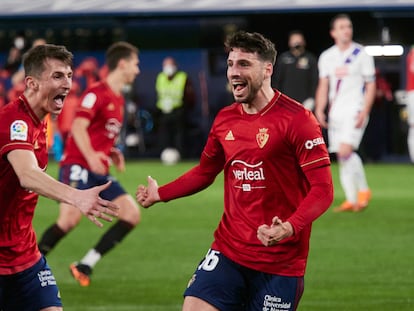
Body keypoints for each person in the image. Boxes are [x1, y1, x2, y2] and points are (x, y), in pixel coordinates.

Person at [136, 30, 333, 311]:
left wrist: (289, 227)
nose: (233, 72)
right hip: (229, 251)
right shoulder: (225, 119)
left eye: (244, 64)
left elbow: (323, 190)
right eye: (230, 64)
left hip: (280, 262)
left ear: (267, 70)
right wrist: (160, 194)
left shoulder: (298, 120)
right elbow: (205, 171)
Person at [0, 44, 119, 311]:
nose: (67, 83)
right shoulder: (14, 121)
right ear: (31, 83)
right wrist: (76, 196)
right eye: (57, 76)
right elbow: (27, 174)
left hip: (25, 254)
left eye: (68, 75)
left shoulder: (40, 120)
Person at [38, 41, 141, 287]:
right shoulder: (97, 92)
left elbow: (98, 133)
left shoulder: (118, 100)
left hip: (98, 170)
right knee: (69, 220)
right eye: (136, 64)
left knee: (131, 214)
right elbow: (78, 126)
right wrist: (92, 155)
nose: (137, 70)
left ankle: (85, 264)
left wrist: (110, 151)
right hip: (77, 164)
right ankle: (26, 268)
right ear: (123, 64)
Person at [314, 13, 376, 212]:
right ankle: (351, 199)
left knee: (345, 151)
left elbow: (371, 85)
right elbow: (323, 85)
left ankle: (364, 190)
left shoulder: (361, 54)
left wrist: (365, 110)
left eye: (348, 26)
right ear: (333, 32)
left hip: (355, 108)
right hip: (336, 112)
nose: (346, 30)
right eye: (342, 27)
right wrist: (319, 109)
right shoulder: (327, 56)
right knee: (341, 157)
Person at [155, 56, 195, 158]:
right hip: (163, 112)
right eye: (166, 65)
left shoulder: (182, 77)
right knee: (163, 135)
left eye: (170, 65)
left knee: (180, 136)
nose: (168, 67)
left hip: (178, 111)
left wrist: (186, 109)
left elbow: (190, 96)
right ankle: (163, 155)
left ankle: (181, 156)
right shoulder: (160, 77)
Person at [273, 30, 318, 110]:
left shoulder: (311, 59)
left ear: (304, 42)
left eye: (299, 40)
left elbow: (315, 81)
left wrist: (312, 98)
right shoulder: (283, 59)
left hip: (305, 104)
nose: (297, 42)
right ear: (289, 42)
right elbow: (276, 80)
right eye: (294, 40)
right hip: (286, 103)